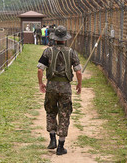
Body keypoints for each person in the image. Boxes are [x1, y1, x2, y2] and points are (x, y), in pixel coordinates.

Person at [37, 25, 82, 155]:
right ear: (65, 39)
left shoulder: (48, 51)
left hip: (51, 86)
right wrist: (79, 84)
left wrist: (41, 83)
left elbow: (40, 69)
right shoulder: (71, 52)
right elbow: (78, 71)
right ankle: (61, 146)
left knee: (51, 111)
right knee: (64, 114)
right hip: (66, 87)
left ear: (54, 38)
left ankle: (52, 139)